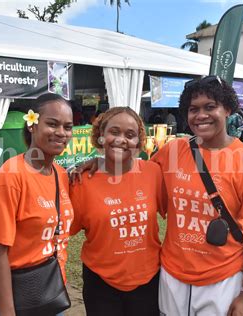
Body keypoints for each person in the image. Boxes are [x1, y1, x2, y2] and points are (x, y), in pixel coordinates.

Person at [152, 76, 243, 315]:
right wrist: (100, 162)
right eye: (193, 109)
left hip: (223, 279)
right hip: (172, 276)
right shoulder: (173, 151)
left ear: (228, 108)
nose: (201, 115)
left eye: (210, 107)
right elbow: (135, 174)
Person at [0, 93, 75, 315]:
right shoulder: (10, 177)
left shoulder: (60, 175)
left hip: (49, 292)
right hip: (10, 299)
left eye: (67, 127)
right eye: (52, 124)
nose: (61, 133)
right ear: (32, 125)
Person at [70, 107, 165, 316]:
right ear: (101, 136)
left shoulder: (154, 172)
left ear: (139, 142)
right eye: (114, 132)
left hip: (148, 279)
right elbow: (59, 229)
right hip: (101, 282)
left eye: (130, 135)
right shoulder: (82, 181)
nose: (121, 140)